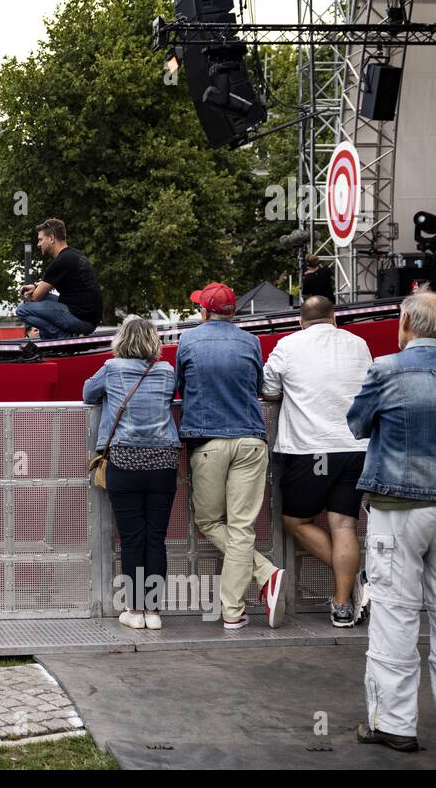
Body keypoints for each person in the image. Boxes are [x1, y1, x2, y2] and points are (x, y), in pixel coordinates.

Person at [347, 292, 436, 753]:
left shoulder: (386, 370)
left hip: (398, 506)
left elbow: (357, 424)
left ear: (405, 321)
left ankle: (395, 724)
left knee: (394, 615)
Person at [177, 282, 287, 630]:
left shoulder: (188, 341)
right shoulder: (251, 342)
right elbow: (258, 388)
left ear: (204, 311)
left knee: (210, 522)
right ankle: (235, 610)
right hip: (251, 440)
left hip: (208, 441)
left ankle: (262, 579)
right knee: (242, 528)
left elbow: (181, 386)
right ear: (233, 312)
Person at [261, 296, 372, 627]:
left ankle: (354, 581)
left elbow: (269, 391)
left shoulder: (288, 345)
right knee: (344, 525)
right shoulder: (359, 344)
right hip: (355, 447)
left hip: (312, 449)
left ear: (301, 321)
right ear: (334, 318)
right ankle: (341, 604)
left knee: (295, 521)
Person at [83, 316, 180, 630]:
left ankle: (134, 610)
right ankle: (153, 612)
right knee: (156, 538)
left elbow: (88, 393)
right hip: (163, 460)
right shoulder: (166, 371)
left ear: (121, 340)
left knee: (131, 539)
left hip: (124, 461)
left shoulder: (112, 369)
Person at [16, 218, 103, 339]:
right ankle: (55, 333)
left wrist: (26, 294)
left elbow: (36, 297)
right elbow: (48, 283)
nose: (38, 244)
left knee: (22, 309)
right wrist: (35, 287)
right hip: (89, 317)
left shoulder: (60, 262)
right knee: (43, 298)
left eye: (40, 240)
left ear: (51, 238)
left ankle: (60, 335)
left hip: (81, 320)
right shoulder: (74, 255)